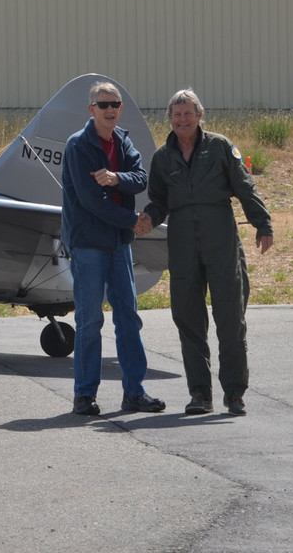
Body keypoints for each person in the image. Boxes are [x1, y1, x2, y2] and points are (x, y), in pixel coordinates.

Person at [136, 89, 273, 416]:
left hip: (220, 238)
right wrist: (148, 219)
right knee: (188, 318)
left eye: (188, 114)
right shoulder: (162, 157)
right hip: (182, 242)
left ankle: (235, 394)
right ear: (170, 119)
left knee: (229, 317)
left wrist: (262, 223)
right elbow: (158, 201)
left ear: (199, 116)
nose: (182, 120)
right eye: (176, 115)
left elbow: (244, 186)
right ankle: (200, 395)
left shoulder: (220, 146)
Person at [62, 81, 165, 416]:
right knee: (90, 320)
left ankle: (134, 392)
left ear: (120, 109)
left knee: (128, 319)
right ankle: (84, 395)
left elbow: (141, 177)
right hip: (89, 245)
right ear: (91, 110)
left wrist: (116, 178)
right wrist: (133, 220)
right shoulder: (78, 146)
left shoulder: (123, 141)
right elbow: (91, 201)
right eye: (103, 104)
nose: (110, 110)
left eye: (115, 104)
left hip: (119, 245)